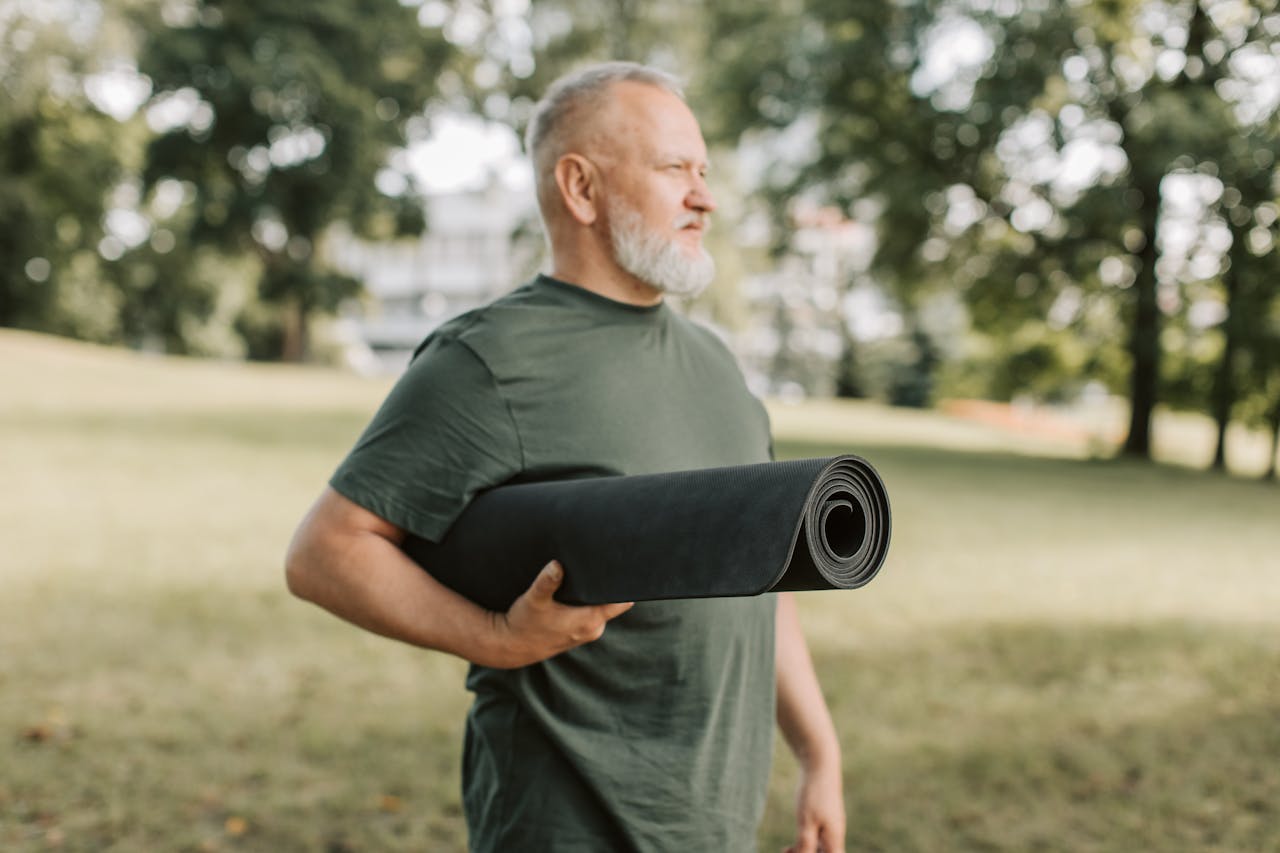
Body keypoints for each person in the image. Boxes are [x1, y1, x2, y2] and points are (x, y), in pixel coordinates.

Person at [285, 61, 846, 853]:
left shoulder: (717, 367)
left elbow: (761, 575)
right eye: (673, 168)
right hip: (562, 828)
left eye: (704, 171)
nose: (705, 196)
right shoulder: (487, 358)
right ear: (581, 188)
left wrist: (819, 752)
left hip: (714, 826)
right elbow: (324, 552)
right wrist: (492, 634)